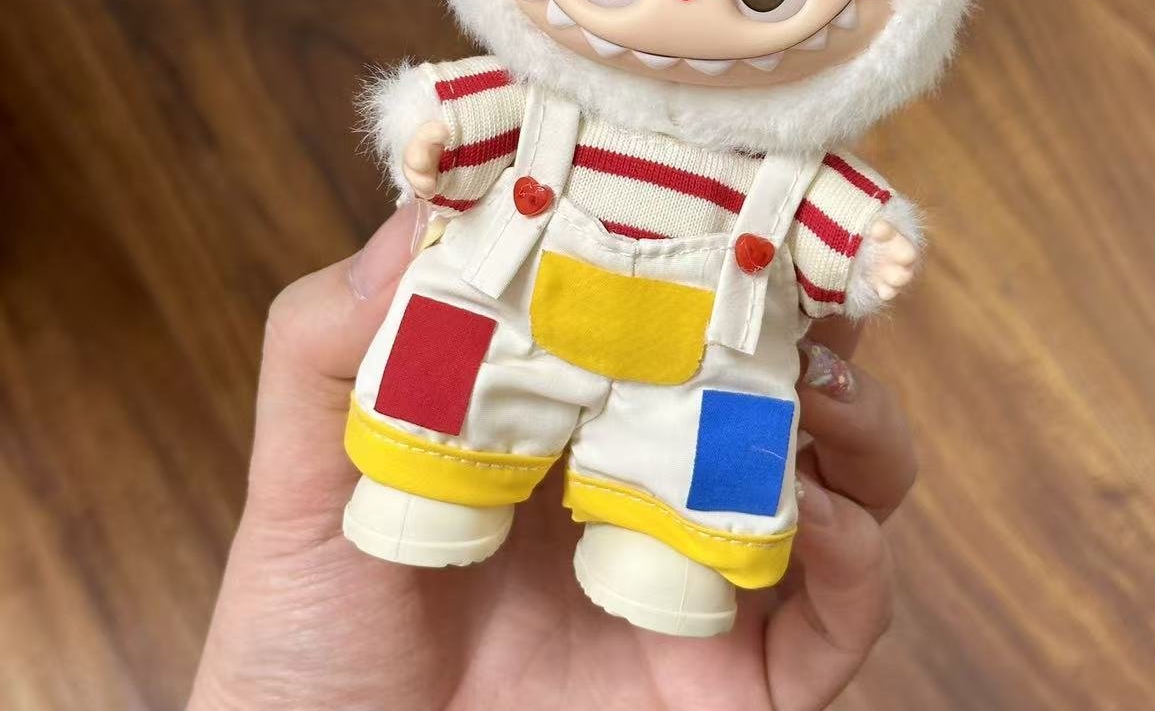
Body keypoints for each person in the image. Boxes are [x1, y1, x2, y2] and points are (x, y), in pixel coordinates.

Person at [188, 199, 917, 711]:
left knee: (736, 420)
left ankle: (684, 551)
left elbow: (850, 231)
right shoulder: (531, 95)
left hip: (713, 337)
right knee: (454, 327)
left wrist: (866, 250)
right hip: (526, 285)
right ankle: (422, 474)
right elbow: (447, 129)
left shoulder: (798, 163)